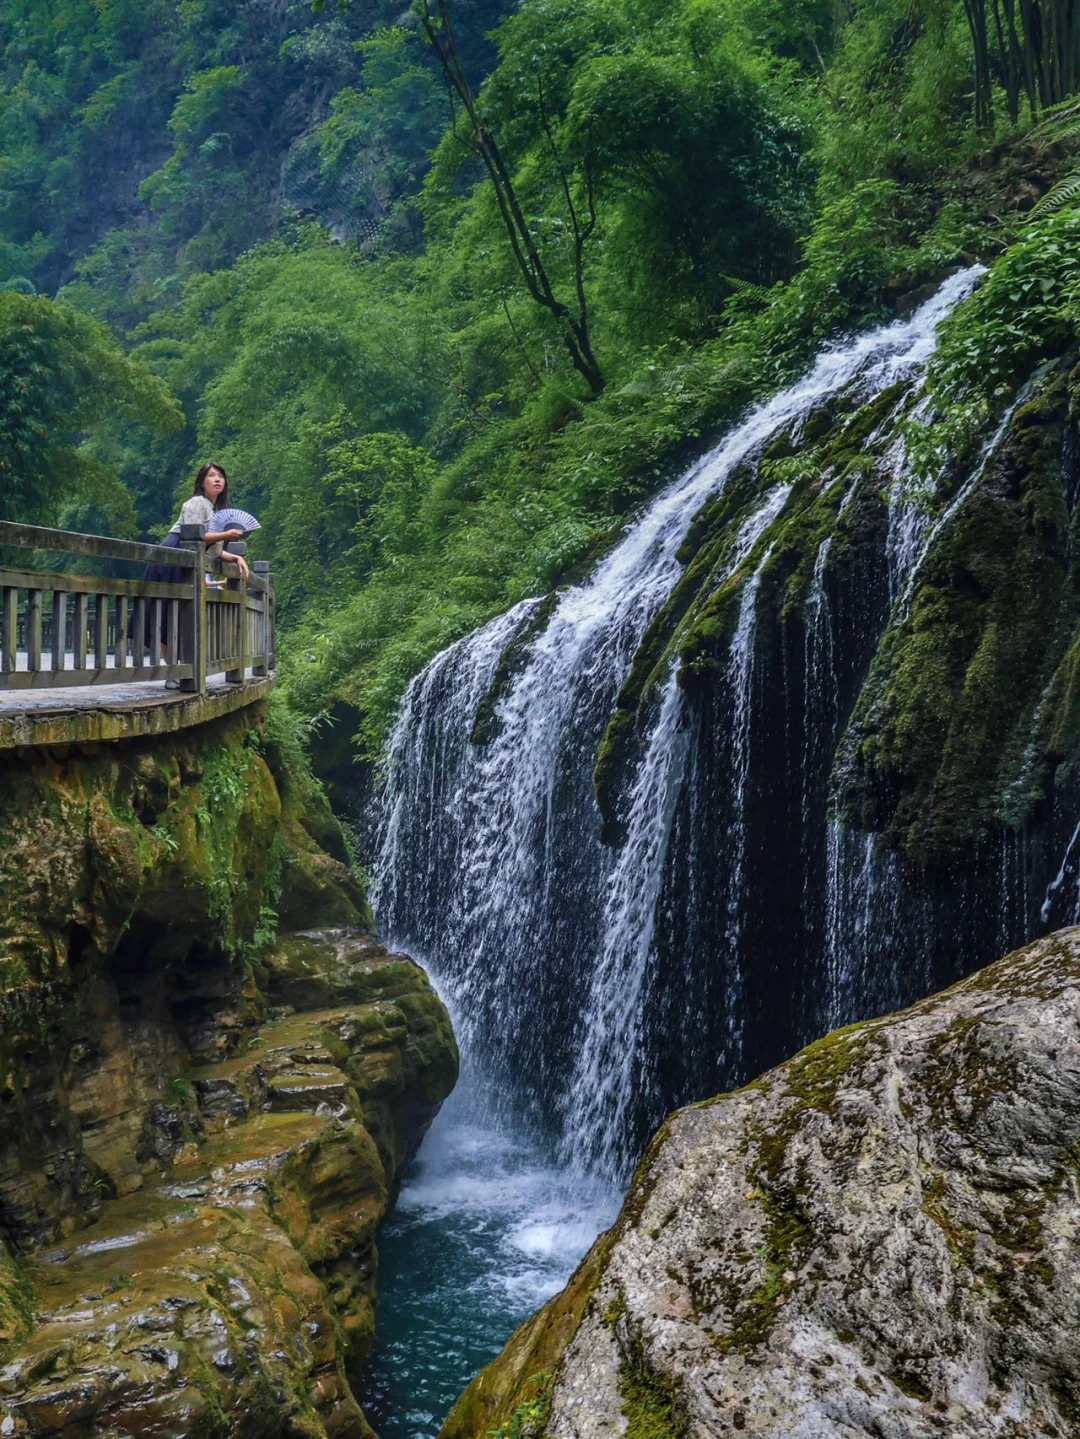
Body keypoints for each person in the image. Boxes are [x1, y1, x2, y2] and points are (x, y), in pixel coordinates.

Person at [147, 463, 252, 685]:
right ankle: (173, 672)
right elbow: (192, 535)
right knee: (168, 615)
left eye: (221, 476)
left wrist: (236, 558)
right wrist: (225, 534)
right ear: (202, 482)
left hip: (188, 560)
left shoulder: (216, 511)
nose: (217, 479)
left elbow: (215, 552)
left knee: (182, 616)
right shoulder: (196, 503)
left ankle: (178, 671)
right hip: (173, 556)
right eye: (211, 476)